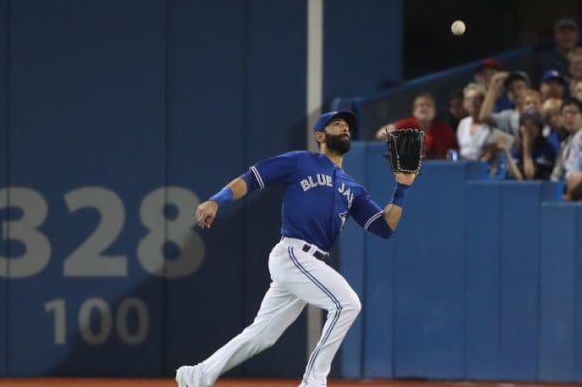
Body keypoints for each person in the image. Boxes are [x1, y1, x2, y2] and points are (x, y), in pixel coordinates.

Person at [176, 111, 417, 387]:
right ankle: (313, 383)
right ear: (320, 136)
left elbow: (384, 227)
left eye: (347, 125)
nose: (345, 127)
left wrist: (402, 187)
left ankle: (196, 375)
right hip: (294, 253)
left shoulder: (353, 188)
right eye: (337, 124)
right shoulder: (300, 161)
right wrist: (216, 200)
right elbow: (252, 178)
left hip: (307, 262)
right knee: (347, 304)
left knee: (261, 335)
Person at [375, 93, 458, 159]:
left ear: (435, 112)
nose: (424, 108)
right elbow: (380, 134)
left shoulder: (444, 129)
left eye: (429, 105)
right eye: (421, 105)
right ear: (414, 111)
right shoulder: (407, 124)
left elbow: (455, 152)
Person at [455, 83, 489, 160]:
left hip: (485, 169)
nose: (473, 102)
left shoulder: (491, 122)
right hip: (464, 168)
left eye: (476, 98)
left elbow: (490, 153)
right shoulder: (463, 123)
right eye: (469, 99)